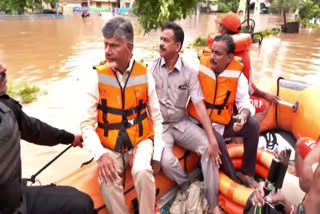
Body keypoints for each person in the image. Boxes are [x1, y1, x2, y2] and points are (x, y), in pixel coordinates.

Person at [80, 17, 163, 214]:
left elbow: (157, 118)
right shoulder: (96, 77)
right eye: (105, 44)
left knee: (142, 171)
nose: (107, 50)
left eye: (114, 45)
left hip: (141, 140)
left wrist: (157, 154)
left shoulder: (145, 75)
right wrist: (100, 155)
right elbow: (86, 125)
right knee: (106, 179)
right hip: (110, 145)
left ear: (129, 47)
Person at [148, 22, 223, 214]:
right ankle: (185, 187)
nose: (161, 44)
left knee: (209, 148)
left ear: (177, 46)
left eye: (166, 40)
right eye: (161, 39)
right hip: (160, 127)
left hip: (182, 123)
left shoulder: (189, 72)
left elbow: (199, 104)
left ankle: (212, 203)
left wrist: (213, 140)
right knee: (165, 161)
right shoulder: (151, 69)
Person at [0, 64, 95, 214]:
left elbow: (36, 130)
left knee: (80, 202)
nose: (4, 69)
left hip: (16, 196)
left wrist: (70, 138)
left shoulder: (7, 107)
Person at [188, 34, 260, 188]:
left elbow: (244, 103)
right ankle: (234, 180)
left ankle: (247, 173)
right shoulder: (198, 67)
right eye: (212, 51)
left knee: (253, 125)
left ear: (230, 57)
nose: (212, 57)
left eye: (218, 54)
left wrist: (243, 116)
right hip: (199, 123)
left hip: (221, 122)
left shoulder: (237, 76)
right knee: (218, 141)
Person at [206, 11, 280, 122]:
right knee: (265, 105)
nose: (218, 29)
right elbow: (248, 87)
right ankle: (241, 135)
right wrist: (265, 95)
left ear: (222, 29)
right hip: (233, 102)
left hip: (214, 99)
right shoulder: (242, 56)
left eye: (219, 25)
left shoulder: (211, 52)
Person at [251, 137, 320, 214]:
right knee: (266, 193)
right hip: (307, 200)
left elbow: (305, 182)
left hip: (309, 203)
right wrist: (288, 207)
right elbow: (304, 182)